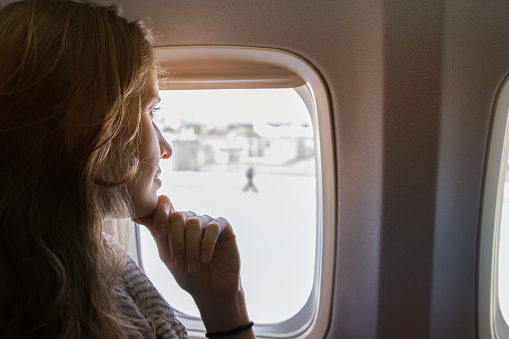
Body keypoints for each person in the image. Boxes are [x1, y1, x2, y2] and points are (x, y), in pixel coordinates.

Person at [0, 0, 254, 338]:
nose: (166, 148)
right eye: (151, 112)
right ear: (88, 126)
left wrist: (224, 303)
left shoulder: (102, 258)